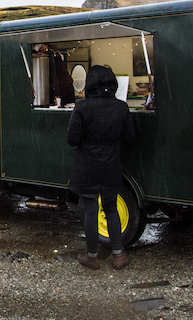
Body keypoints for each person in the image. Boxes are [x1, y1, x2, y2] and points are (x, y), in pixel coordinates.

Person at [66, 65, 135, 271]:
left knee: (90, 212)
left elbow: (71, 140)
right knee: (111, 209)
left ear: (90, 84)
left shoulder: (82, 108)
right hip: (110, 166)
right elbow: (130, 137)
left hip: (87, 167)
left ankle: (92, 257)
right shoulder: (121, 108)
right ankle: (118, 255)